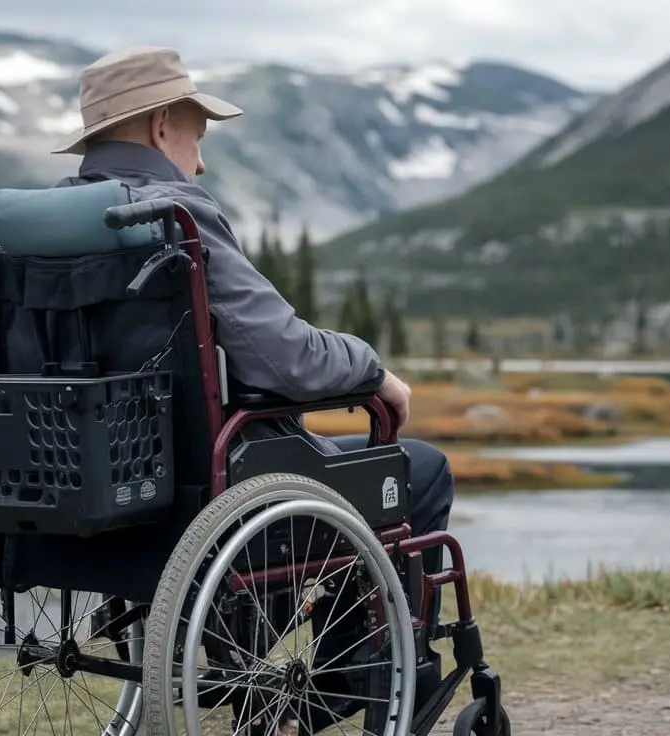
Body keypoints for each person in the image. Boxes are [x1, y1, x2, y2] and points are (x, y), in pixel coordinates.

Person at [51, 45, 451, 725]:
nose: (199, 160)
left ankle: (246, 640)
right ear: (160, 127)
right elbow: (289, 360)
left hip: (93, 485)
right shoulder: (175, 213)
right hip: (213, 488)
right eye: (195, 137)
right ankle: (344, 686)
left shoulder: (47, 225)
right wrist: (374, 370)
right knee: (422, 470)